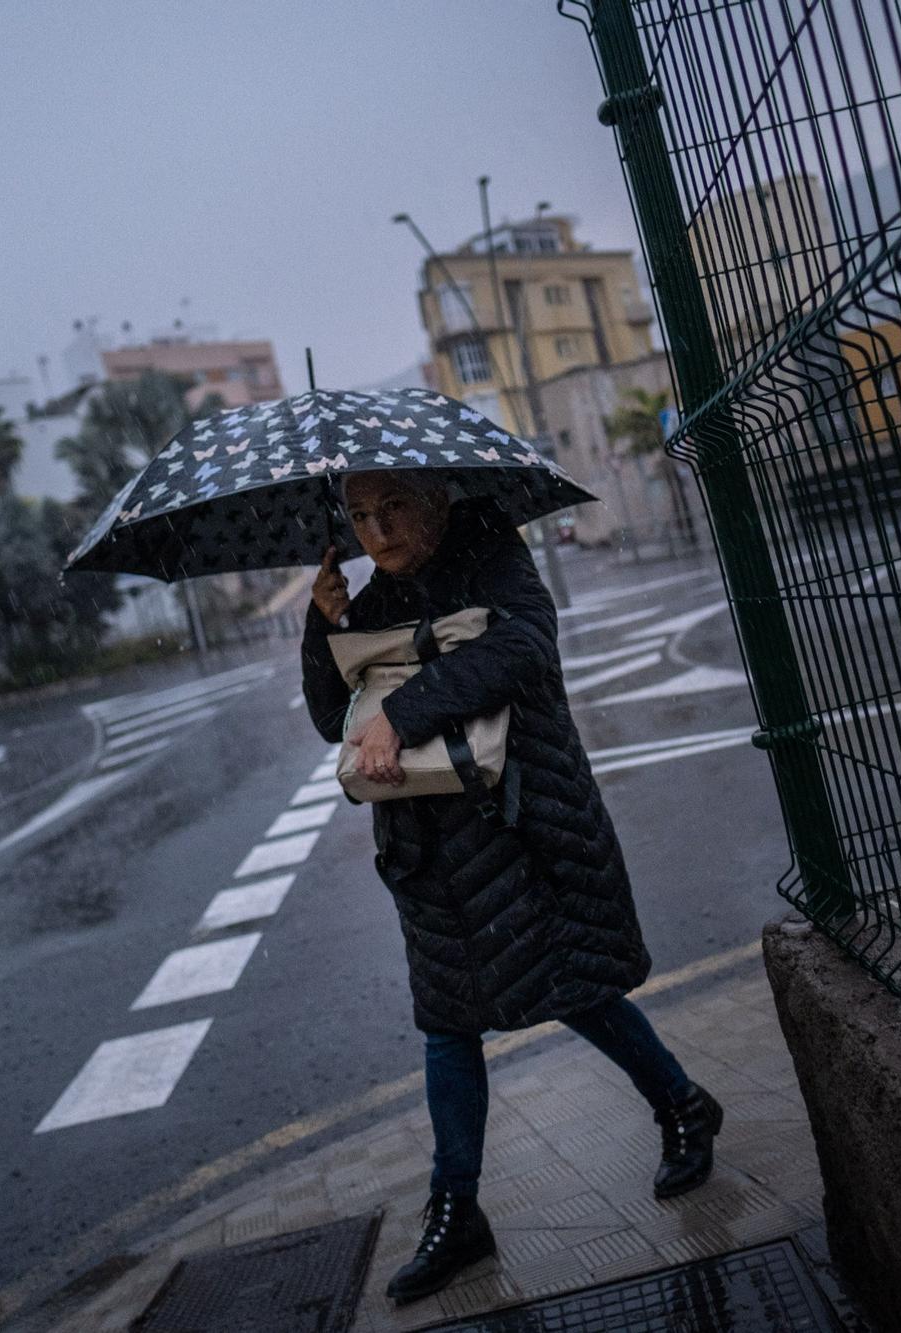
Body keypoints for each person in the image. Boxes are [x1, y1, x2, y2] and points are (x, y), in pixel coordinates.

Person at [300, 469, 723, 1304]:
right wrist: (324, 627)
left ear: (437, 502)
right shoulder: (368, 596)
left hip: (520, 820)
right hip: (426, 847)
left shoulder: (489, 551)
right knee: (447, 1023)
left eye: (392, 509)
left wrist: (406, 711)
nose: (375, 532)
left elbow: (523, 643)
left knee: (575, 983)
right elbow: (332, 717)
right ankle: (457, 1209)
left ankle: (682, 1103)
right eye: (358, 516)